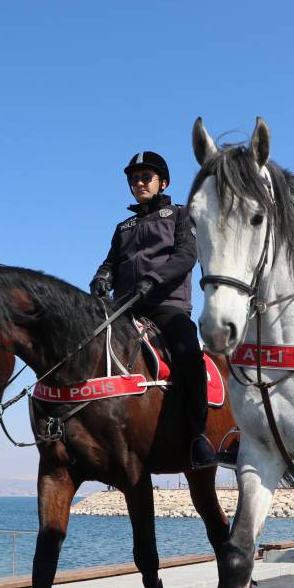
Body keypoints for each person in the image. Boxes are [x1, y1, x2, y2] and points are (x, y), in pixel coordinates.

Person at [89, 151, 218, 469]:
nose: (139, 183)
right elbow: (111, 261)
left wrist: (154, 280)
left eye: (146, 177)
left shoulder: (181, 214)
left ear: (163, 182)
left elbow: (186, 256)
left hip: (166, 305)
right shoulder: (123, 227)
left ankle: (198, 436)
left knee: (189, 352)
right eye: (134, 179)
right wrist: (102, 276)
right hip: (124, 308)